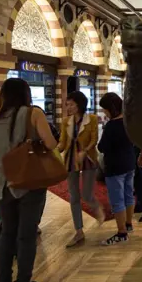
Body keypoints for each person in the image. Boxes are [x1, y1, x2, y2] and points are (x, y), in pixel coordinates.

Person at [0, 78, 57, 282]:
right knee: (26, 235)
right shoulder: (33, 114)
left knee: (7, 234)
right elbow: (51, 144)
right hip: (28, 181)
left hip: (1, 183)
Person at [59, 91, 102, 248]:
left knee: (87, 194)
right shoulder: (65, 122)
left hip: (88, 159)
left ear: (79, 104)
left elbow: (94, 139)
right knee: (74, 196)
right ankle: (79, 231)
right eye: (67, 104)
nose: (68, 107)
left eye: (71, 104)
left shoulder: (91, 119)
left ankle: (97, 208)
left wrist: (84, 152)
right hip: (71, 160)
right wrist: (53, 151)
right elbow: (63, 143)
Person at [98, 92, 136, 245]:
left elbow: (102, 147)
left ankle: (121, 233)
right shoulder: (129, 122)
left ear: (110, 108)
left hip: (115, 166)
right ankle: (128, 224)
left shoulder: (111, 126)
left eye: (105, 109)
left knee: (117, 200)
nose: (104, 112)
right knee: (128, 195)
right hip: (129, 163)